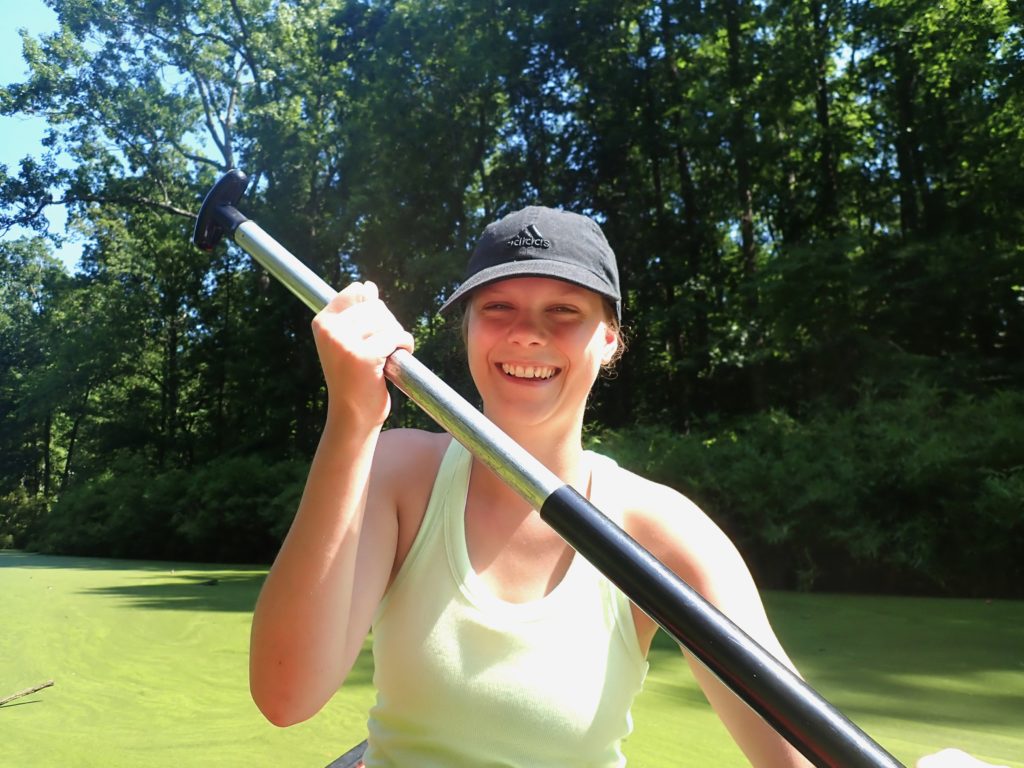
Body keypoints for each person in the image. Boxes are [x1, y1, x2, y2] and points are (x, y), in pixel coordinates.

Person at [248, 206, 1003, 768]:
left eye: (564, 314)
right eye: (498, 308)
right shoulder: (398, 470)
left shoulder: (665, 531)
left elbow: (794, 755)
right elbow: (286, 697)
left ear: (610, 340)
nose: (526, 334)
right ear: (468, 329)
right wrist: (350, 421)